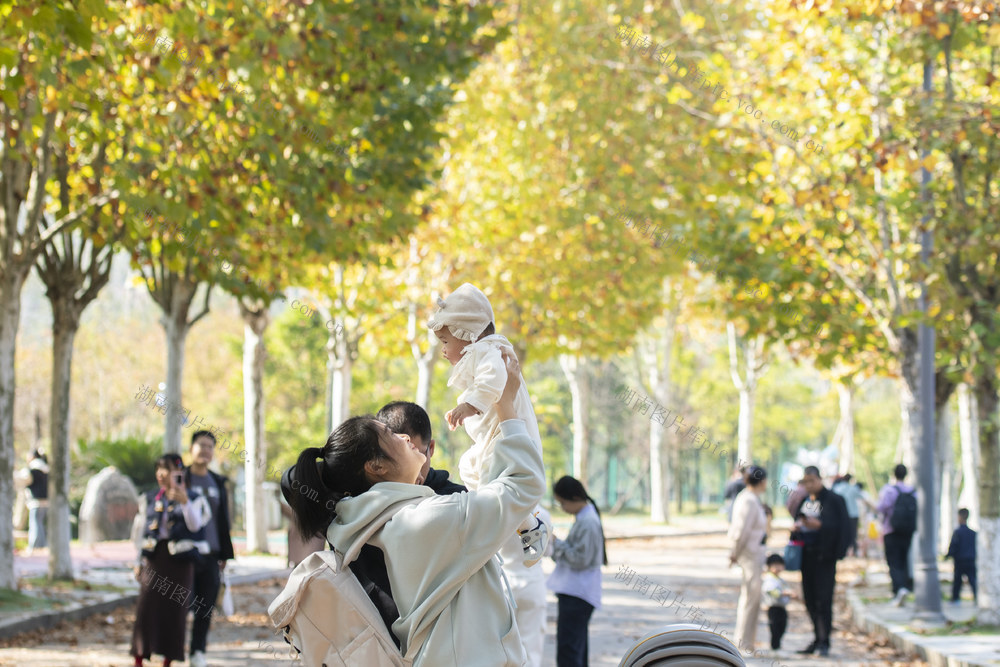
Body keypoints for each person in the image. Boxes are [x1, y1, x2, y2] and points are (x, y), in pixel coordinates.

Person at [285, 351, 544, 666]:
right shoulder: (428, 520)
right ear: (376, 466)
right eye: (390, 435)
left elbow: (291, 481)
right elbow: (522, 485)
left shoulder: (359, 523)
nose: (404, 437)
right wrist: (507, 407)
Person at [427, 283, 549, 565]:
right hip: (490, 438)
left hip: (504, 434)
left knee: (492, 480)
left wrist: (469, 405)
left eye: (446, 342)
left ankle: (521, 528)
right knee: (470, 468)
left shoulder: (487, 350)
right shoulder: (481, 351)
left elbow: (494, 378)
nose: (443, 351)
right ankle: (527, 525)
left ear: (467, 334)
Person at [131, 454, 212, 667]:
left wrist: (184, 501)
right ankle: (139, 657)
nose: (160, 474)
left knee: (175, 612)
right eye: (158, 469)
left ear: (179, 473)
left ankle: (168, 659)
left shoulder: (194, 498)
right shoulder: (149, 498)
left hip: (181, 562)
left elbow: (196, 526)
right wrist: (138, 560)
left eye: (165, 469)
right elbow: (139, 532)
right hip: (154, 559)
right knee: (145, 609)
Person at [183, 431, 235, 667]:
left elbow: (223, 520)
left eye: (209, 447)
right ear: (191, 448)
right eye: (201, 445)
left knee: (205, 606)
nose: (205, 450)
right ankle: (173, 648)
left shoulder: (218, 482)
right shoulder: (181, 478)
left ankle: (197, 652)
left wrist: (225, 554)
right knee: (182, 604)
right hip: (184, 553)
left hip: (212, 554)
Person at [547, 475, 606, 667]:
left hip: (577, 593)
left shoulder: (588, 521)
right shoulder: (585, 517)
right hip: (577, 592)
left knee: (568, 651)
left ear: (574, 498)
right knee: (576, 648)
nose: (563, 508)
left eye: (562, 503)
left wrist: (556, 544)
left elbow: (581, 559)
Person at [794, 466, 849, 657]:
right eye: (805, 481)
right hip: (806, 556)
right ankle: (817, 637)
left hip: (825, 557)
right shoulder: (805, 500)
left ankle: (825, 641)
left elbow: (841, 527)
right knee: (809, 599)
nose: (809, 485)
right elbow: (798, 519)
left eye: (812, 480)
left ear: (819, 479)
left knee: (823, 600)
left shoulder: (834, 500)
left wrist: (820, 526)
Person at [728, 465, 768, 654]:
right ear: (762, 481)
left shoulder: (752, 499)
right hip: (749, 554)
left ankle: (748, 642)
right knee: (750, 599)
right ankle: (742, 643)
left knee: (753, 598)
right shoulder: (748, 500)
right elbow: (741, 530)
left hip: (755, 553)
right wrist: (734, 552)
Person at [876, 464, 916, 606]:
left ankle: (898, 589)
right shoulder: (912, 491)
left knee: (893, 562)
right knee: (904, 559)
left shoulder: (889, 490)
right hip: (908, 531)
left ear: (894, 474)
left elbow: (880, 507)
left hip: (891, 530)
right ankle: (904, 586)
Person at [15, 449, 49, 555]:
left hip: (36, 501)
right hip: (46, 501)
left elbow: (22, 480)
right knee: (40, 524)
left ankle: (34, 546)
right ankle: (42, 545)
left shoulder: (32, 469)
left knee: (35, 524)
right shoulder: (46, 468)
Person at [762, 554, 796, 651]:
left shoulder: (780, 579)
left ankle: (778, 646)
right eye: (775, 565)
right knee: (775, 628)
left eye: (779, 565)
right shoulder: (769, 579)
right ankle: (775, 647)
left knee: (782, 627)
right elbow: (771, 590)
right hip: (773, 607)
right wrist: (783, 593)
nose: (777, 568)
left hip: (782, 607)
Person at [946, 508, 977, 605]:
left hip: (960, 560)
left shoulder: (958, 532)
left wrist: (948, 555)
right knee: (973, 580)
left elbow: (954, 546)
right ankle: (977, 597)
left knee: (957, 581)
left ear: (960, 517)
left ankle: (955, 599)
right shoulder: (973, 533)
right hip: (970, 559)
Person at [832, 474, 863, 557]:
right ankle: (854, 551)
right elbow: (861, 497)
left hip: (842, 514)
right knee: (853, 534)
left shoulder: (837, 488)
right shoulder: (853, 488)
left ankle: (844, 551)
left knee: (843, 532)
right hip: (853, 514)